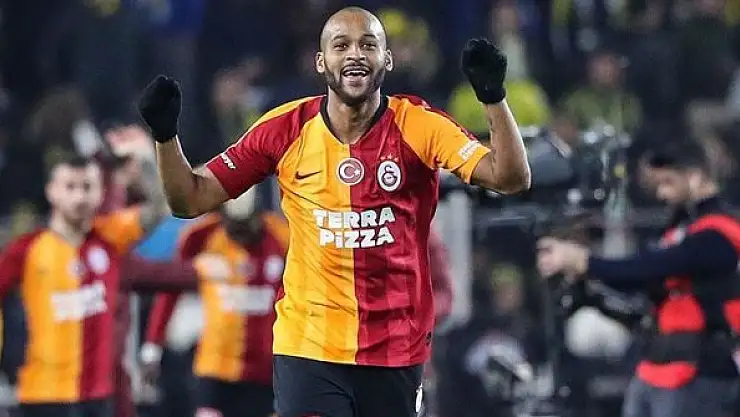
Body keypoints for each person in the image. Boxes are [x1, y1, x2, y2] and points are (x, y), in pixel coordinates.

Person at [137, 6, 530, 417]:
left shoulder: (420, 124)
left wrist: (494, 99)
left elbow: (510, 178)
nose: (355, 54)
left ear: (387, 59)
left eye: (368, 45)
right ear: (321, 62)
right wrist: (166, 138)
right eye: (341, 45)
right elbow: (190, 199)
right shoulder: (284, 129)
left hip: (397, 348)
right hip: (309, 346)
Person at [537, 141, 740, 417]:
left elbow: (653, 267)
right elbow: (643, 280)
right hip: (656, 368)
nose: (662, 193)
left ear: (694, 176)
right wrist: (592, 286)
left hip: (700, 372)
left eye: (668, 182)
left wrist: (585, 261)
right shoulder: (680, 230)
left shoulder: (719, 233)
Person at [0, 155, 212, 417]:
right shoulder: (27, 249)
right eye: (70, 187)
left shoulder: (109, 238)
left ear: (101, 192)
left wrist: (147, 159)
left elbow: (161, 207)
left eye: (87, 187)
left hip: (99, 400)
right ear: (51, 191)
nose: (79, 197)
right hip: (43, 396)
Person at [139, 187, 289, 417]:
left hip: (266, 370)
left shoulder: (281, 236)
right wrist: (152, 344)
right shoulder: (200, 236)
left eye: (247, 226)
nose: (242, 238)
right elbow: (171, 289)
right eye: (235, 228)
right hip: (214, 367)